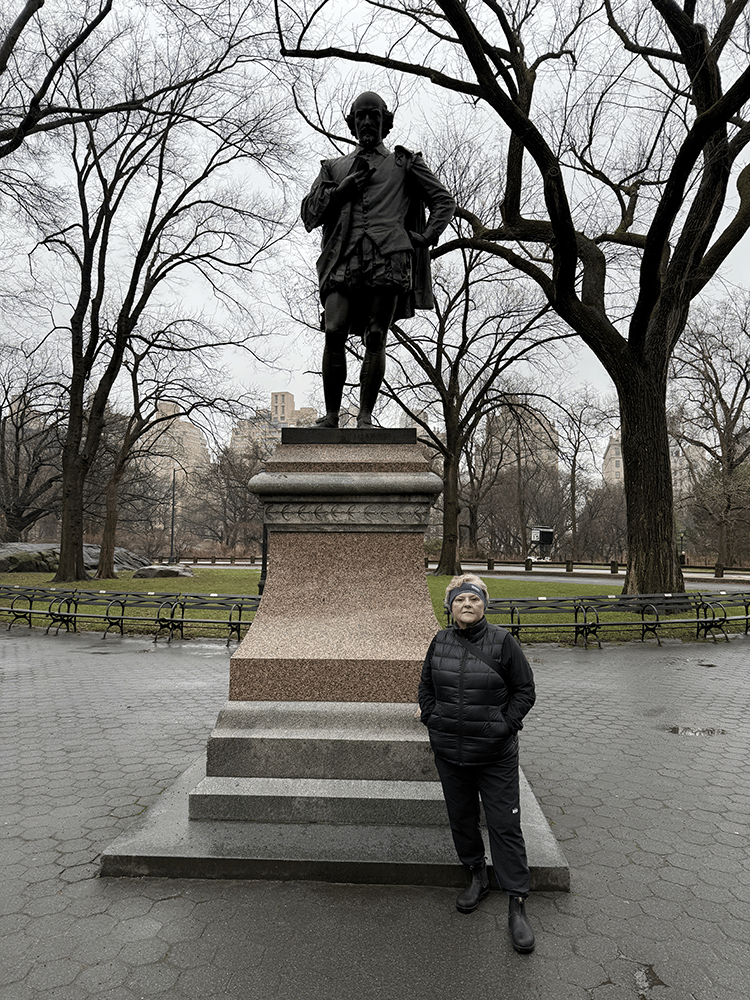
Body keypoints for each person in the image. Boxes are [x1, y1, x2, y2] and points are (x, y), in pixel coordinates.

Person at [301, 91, 455, 428]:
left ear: (385, 121)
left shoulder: (404, 162)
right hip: (343, 257)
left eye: (374, 115)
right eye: (361, 116)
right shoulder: (333, 168)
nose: (367, 121)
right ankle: (331, 415)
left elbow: (443, 201)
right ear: (352, 123)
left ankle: (365, 417)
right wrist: (340, 191)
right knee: (334, 330)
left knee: (375, 336)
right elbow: (309, 214)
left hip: (389, 258)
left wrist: (426, 237)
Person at [418, 573, 537, 953]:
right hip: (451, 752)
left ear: (484, 605)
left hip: (494, 755)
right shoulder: (439, 641)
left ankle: (516, 900)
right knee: (462, 818)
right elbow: (426, 687)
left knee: (505, 824)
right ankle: (476, 874)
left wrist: (504, 725)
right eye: (459, 600)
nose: (466, 605)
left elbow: (525, 690)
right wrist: (431, 716)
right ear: (450, 607)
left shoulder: (503, 643)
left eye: (473, 599)